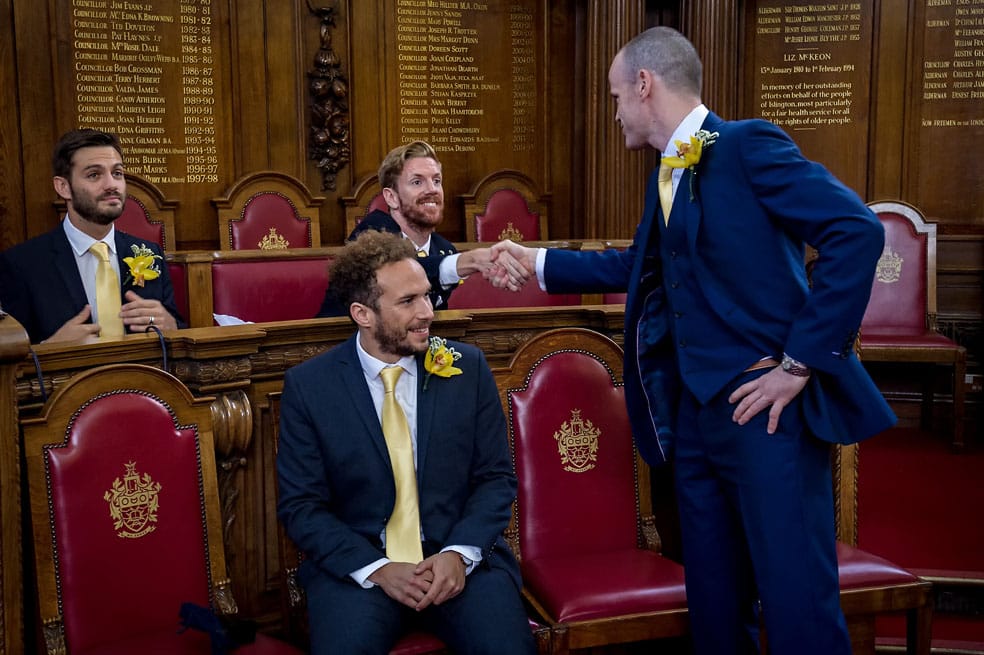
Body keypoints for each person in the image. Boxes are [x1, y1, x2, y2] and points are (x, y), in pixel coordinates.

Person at [491, 26, 896, 655]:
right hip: (696, 419)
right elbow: (640, 270)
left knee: (795, 603)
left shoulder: (746, 146)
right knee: (714, 604)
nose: (616, 110)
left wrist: (800, 362)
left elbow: (857, 231)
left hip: (769, 416)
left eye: (616, 96)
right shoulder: (667, 173)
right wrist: (537, 261)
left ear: (644, 85)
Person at [277, 230, 536, 655]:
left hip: (460, 564)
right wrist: (377, 568)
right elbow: (301, 506)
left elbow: (495, 478)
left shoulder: (467, 369)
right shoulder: (310, 387)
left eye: (427, 296)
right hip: (360, 572)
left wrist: (459, 553)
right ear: (363, 313)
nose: (427, 313)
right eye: (408, 302)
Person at [0, 129, 184, 344]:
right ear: (64, 187)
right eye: (94, 175)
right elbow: (10, 358)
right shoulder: (21, 264)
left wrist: (171, 326)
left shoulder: (150, 253)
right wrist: (49, 350)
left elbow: (176, 332)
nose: (111, 185)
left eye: (117, 173)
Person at [315, 140, 525, 317]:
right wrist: (470, 260)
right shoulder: (372, 233)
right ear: (391, 197)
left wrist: (502, 268)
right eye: (417, 182)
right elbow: (400, 273)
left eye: (436, 181)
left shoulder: (444, 249)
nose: (432, 190)